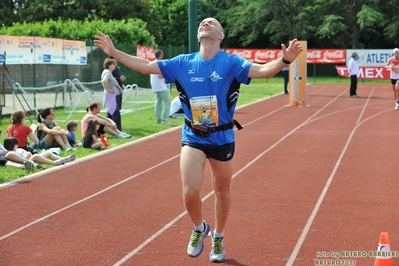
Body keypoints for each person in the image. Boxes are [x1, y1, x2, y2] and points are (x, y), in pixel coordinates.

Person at [95, 17, 302, 263]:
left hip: (223, 135)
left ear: (220, 36)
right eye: (203, 23)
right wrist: (114, 52)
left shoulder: (231, 62)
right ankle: (199, 228)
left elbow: (263, 71)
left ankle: (218, 236)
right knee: (191, 192)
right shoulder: (183, 63)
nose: (205, 23)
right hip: (193, 134)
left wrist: (285, 59)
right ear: (197, 35)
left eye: (212, 23)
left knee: (222, 192)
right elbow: (146, 66)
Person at [4, 137, 76, 167]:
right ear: (11, 145)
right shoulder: (9, 153)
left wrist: (28, 154)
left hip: (31, 158)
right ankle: (54, 163)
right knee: (36, 156)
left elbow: (28, 153)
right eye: (16, 144)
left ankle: (63, 159)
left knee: (48, 152)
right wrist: (28, 155)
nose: (17, 145)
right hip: (27, 161)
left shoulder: (19, 149)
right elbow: (22, 160)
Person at [150, 50, 171, 124]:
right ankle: (165, 120)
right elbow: (160, 75)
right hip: (161, 87)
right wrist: (167, 74)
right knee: (167, 102)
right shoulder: (159, 63)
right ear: (160, 55)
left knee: (158, 103)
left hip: (155, 87)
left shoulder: (152, 63)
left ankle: (158, 119)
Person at [101, 57, 123, 131]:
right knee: (116, 113)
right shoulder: (107, 72)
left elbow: (110, 81)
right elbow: (104, 81)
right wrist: (109, 89)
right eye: (113, 64)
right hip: (111, 97)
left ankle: (105, 130)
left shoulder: (109, 72)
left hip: (111, 96)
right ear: (109, 65)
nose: (115, 65)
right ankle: (118, 131)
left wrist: (116, 84)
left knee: (110, 114)